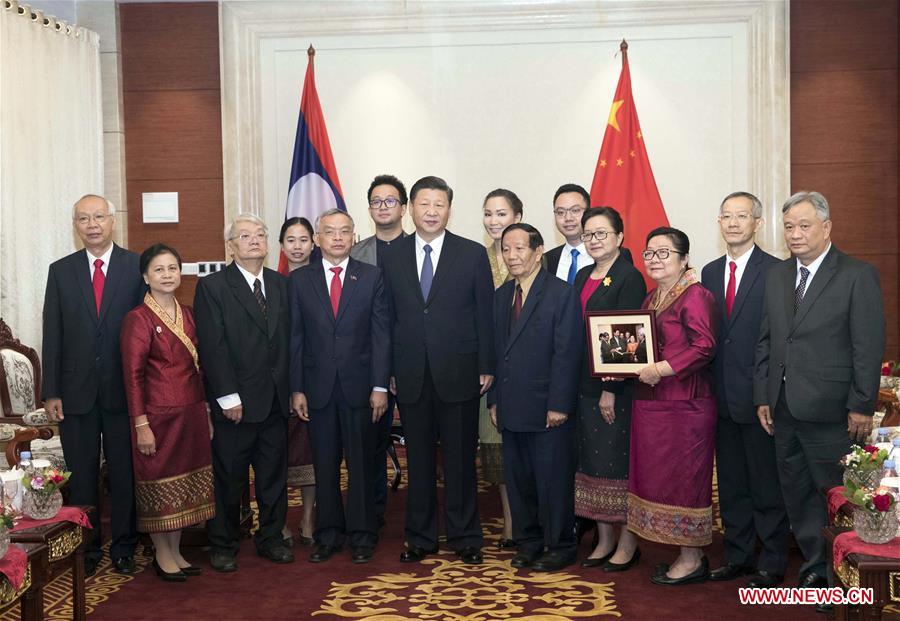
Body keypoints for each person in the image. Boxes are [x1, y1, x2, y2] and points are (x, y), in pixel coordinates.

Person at [754, 191, 884, 597]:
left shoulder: (856, 274)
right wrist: (763, 395)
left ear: (826, 228)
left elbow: (868, 346)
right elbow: (767, 340)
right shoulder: (776, 275)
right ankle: (816, 567)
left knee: (835, 495)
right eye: (789, 226)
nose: (795, 234)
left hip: (831, 410)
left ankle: (841, 577)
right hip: (782, 407)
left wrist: (862, 404)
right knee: (797, 495)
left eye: (804, 225)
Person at [381, 175, 495, 565]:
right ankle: (420, 536)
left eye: (439, 205)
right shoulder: (392, 256)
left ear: (449, 209)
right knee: (421, 462)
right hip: (410, 373)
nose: (431, 211)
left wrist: (485, 365)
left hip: (461, 371)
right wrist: (390, 369)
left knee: (462, 460)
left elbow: (485, 314)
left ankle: (466, 537)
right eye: (424, 204)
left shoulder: (471, 254)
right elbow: (388, 319)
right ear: (411, 208)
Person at [41, 194, 143, 577]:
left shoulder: (135, 266)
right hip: (75, 393)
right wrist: (51, 390)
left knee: (124, 472)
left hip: (123, 391)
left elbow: (143, 330)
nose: (92, 224)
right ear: (76, 225)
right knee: (82, 474)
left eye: (99, 216)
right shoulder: (60, 270)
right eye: (83, 218)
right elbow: (53, 332)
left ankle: (124, 546)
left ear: (112, 221)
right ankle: (87, 549)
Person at [290, 209, 391, 564]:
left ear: (353, 237)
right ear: (317, 238)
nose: (337, 238)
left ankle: (363, 534)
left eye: (344, 232)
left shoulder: (372, 276)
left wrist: (380, 386)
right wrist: (297, 388)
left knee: (362, 463)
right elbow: (296, 338)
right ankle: (328, 533)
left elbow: (381, 336)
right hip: (317, 388)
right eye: (329, 232)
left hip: (361, 387)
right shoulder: (300, 281)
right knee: (325, 464)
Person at [194, 213, 294, 572]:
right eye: (245, 235)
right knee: (229, 479)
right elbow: (213, 346)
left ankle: (271, 539)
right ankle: (223, 543)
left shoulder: (282, 285)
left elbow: (288, 344)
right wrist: (227, 396)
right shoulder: (214, 287)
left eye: (261, 234)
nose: (255, 240)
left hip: (275, 401)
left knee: (272, 478)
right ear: (230, 246)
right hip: (236, 403)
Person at [700, 192, 788, 588]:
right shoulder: (709, 271)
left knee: (765, 483)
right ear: (719, 223)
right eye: (726, 216)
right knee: (732, 483)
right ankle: (737, 556)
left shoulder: (777, 271)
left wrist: (765, 394)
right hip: (719, 395)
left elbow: (778, 338)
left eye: (742, 216)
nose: (733, 223)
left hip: (760, 399)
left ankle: (772, 560)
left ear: (758, 223)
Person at [488, 223, 581, 571]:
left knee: (552, 480)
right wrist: (494, 399)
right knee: (519, 480)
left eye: (519, 249)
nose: (512, 256)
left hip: (547, 407)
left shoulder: (561, 293)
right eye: (506, 250)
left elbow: (567, 353)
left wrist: (559, 404)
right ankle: (529, 542)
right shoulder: (501, 296)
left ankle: (560, 544)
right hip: (510, 405)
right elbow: (497, 354)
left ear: (538, 251)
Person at [120, 244, 215, 581]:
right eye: (159, 270)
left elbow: (201, 368)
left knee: (185, 485)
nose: (167, 275)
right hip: (157, 418)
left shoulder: (188, 314)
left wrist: (205, 412)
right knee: (159, 485)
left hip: (190, 413)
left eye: (172, 268)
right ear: (146, 276)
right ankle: (161, 553)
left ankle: (176, 550)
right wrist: (141, 424)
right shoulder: (138, 319)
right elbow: (132, 377)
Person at [629, 227, 718, 585]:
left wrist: (660, 369)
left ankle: (693, 558)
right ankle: (682, 552)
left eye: (664, 253)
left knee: (685, 481)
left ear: (684, 259)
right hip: (653, 405)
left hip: (686, 406)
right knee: (660, 479)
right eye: (649, 253)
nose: (654, 260)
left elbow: (704, 346)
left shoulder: (696, 295)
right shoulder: (651, 298)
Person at [572, 207, 646, 572]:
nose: (594, 240)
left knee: (617, 464)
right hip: (581, 383)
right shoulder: (584, 274)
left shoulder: (629, 277)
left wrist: (610, 389)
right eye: (589, 234)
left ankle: (628, 543)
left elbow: (625, 339)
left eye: (602, 233)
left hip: (613, 389)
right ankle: (603, 540)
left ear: (619, 237)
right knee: (592, 463)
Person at [349, 174, 408, 529]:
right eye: (376, 201)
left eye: (390, 201)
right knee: (370, 442)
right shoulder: (355, 253)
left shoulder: (421, 249)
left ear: (403, 207)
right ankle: (372, 511)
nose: (383, 207)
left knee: (428, 444)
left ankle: (425, 514)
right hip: (370, 367)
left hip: (416, 362)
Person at [480, 188, 522, 548]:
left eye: (502, 214)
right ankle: (510, 520)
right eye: (489, 214)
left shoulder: (534, 256)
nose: (495, 222)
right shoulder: (476, 259)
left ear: (518, 218)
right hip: (488, 369)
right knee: (498, 448)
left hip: (528, 371)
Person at [279, 217, 317, 546]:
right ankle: (278, 522)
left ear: (313, 243)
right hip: (279, 382)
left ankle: (308, 517)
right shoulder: (273, 283)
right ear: (281, 246)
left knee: (310, 454)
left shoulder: (319, 280)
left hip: (311, 379)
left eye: (303, 239)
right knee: (276, 456)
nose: (297, 246)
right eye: (290, 240)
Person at [543, 184, 594, 283]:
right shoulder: (546, 260)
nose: (568, 218)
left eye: (575, 210)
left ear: (588, 212)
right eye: (561, 212)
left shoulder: (609, 254)